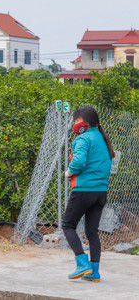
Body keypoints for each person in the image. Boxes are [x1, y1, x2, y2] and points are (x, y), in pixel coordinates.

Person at [62, 106, 114, 283]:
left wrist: (69, 172)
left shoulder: (82, 139)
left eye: (77, 120)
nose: (75, 123)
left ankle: (82, 263)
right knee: (92, 231)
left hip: (84, 190)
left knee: (68, 225)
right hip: (101, 192)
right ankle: (94, 272)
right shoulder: (102, 138)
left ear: (86, 122)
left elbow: (79, 161)